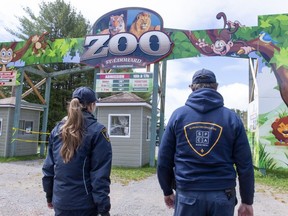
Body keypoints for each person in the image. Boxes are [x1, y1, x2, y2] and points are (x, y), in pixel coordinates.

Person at [157, 69, 254, 216]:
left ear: (191, 87)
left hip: (187, 195)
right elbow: (245, 164)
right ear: (216, 87)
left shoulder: (178, 116)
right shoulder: (232, 119)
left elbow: (164, 160)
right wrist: (247, 201)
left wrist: (167, 190)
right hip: (223, 196)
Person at [42, 86, 112, 216]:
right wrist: (104, 208)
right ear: (92, 105)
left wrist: (49, 196)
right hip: (85, 205)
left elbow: (49, 169)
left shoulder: (57, 130)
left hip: (61, 202)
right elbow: (100, 175)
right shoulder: (97, 131)